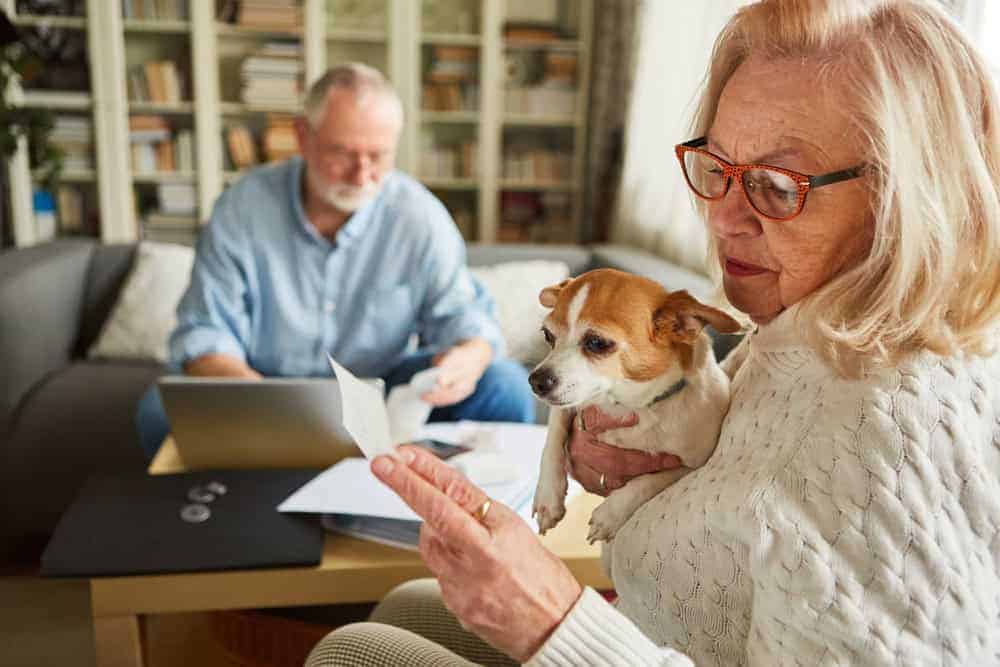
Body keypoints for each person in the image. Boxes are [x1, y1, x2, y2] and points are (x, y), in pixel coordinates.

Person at [306, 0, 1000, 664]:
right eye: (718, 169)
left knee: (352, 652)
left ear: (909, 201)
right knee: (406, 603)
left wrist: (553, 622)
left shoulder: (883, 435)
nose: (725, 219)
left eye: (778, 186)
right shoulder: (806, 326)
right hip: (652, 623)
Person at [135, 63, 534, 460]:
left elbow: (464, 316)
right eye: (343, 153)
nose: (362, 176)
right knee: (159, 412)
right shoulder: (242, 209)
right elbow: (206, 332)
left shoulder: (419, 216)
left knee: (506, 385)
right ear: (303, 137)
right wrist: (266, 402)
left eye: (378, 156)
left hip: (381, 389)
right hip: (261, 385)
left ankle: (481, 516)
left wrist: (470, 356)